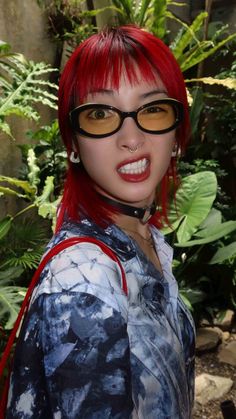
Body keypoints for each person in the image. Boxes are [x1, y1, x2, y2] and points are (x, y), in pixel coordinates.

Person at [6, 25, 195, 418]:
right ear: (73, 143)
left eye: (153, 108)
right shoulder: (85, 283)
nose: (131, 137)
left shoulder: (144, 237)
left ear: (177, 130)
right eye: (99, 114)